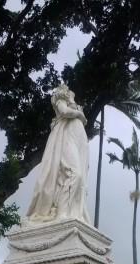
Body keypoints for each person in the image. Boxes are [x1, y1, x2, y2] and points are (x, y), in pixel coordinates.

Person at [26, 84, 90, 223]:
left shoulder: (72, 102)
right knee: (75, 173)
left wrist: (74, 104)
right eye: (67, 91)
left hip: (79, 140)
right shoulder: (60, 99)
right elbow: (65, 112)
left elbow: (84, 120)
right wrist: (78, 112)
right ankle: (62, 212)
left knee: (80, 179)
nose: (68, 91)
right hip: (66, 137)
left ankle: (73, 212)